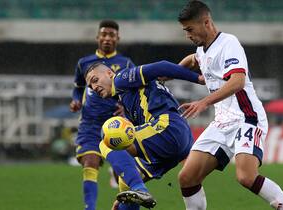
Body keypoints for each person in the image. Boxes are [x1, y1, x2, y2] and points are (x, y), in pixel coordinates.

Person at [176, 1, 283, 210]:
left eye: (190, 29)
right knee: (187, 177)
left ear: (206, 22)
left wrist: (204, 102)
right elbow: (194, 59)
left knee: (246, 176)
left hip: (247, 118)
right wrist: (172, 72)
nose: (187, 34)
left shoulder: (228, 43)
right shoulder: (202, 49)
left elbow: (237, 81)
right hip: (222, 123)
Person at [85, 60, 204, 209]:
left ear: (109, 73)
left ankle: (139, 189)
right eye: (90, 86)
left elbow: (161, 66)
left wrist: (198, 79)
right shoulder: (127, 95)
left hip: (167, 128)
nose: (94, 87)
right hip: (181, 138)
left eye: (95, 80)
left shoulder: (121, 78)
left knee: (107, 140)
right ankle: (131, 199)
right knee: (125, 183)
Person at [69, 20, 137, 210]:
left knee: (121, 172)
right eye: (104, 34)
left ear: (118, 38)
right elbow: (78, 87)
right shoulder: (84, 63)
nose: (107, 38)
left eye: (111, 35)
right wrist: (75, 100)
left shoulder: (126, 63)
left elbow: (134, 89)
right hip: (90, 124)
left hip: (116, 124)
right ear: (98, 37)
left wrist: (124, 107)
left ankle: (122, 203)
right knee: (90, 162)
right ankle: (90, 208)